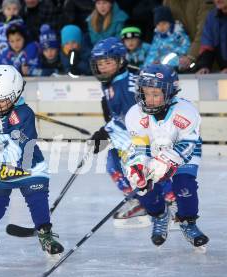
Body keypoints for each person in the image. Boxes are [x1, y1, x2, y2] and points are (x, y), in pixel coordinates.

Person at [0, 65, 64, 262]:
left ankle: (45, 233)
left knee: (37, 198)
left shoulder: (24, 114)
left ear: (15, 95)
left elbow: (20, 147)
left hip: (28, 163)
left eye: (1, 100)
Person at [124, 64, 209, 250]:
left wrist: (168, 160)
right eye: (146, 93)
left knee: (184, 184)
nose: (151, 99)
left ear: (169, 93)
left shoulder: (186, 111)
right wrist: (138, 166)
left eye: (156, 94)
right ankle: (160, 216)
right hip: (154, 150)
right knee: (141, 186)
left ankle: (188, 221)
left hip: (184, 150)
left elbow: (189, 143)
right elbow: (139, 146)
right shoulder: (134, 115)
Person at [89, 37, 150, 228]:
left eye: (108, 62)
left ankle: (171, 204)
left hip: (147, 138)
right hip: (133, 135)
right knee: (113, 162)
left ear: (120, 61)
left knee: (141, 168)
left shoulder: (125, 86)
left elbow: (133, 121)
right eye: (100, 63)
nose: (104, 67)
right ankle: (138, 201)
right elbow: (117, 115)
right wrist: (107, 129)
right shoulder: (113, 79)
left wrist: (106, 132)